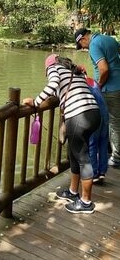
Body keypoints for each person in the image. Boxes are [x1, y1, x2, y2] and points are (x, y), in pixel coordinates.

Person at [23, 54, 101, 214]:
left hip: (78, 115)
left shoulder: (54, 68)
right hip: (93, 113)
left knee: (82, 157)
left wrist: (36, 103)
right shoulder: (75, 71)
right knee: (74, 154)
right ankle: (73, 192)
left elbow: (53, 84)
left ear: (48, 65)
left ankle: (86, 203)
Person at [75, 28, 120, 166]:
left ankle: (116, 157)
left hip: (110, 89)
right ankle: (110, 150)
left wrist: (99, 84)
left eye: (81, 45)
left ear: (83, 39)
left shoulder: (94, 45)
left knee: (112, 123)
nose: (83, 48)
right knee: (116, 120)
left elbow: (104, 69)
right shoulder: (109, 39)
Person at [86, 76, 110, 184]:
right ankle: (102, 172)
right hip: (104, 113)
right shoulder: (93, 81)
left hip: (95, 114)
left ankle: (94, 173)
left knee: (92, 144)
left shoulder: (82, 84)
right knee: (103, 142)